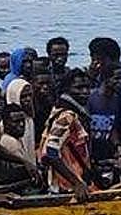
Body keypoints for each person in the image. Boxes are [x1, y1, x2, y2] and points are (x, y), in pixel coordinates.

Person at [39, 69, 95, 201]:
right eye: (79, 88)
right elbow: (50, 152)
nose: (85, 92)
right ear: (66, 89)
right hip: (66, 189)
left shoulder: (66, 111)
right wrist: (77, 183)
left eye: (87, 87)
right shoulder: (66, 116)